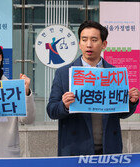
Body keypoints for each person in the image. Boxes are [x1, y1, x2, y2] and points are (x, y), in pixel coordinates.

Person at [47, 20, 140, 156]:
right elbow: (51, 110)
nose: (89, 44)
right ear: (79, 43)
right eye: (84, 40)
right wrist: (64, 105)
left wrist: (131, 102)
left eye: (94, 40)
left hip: (109, 148)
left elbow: (121, 113)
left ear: (104, 44)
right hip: (75, 149)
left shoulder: (114, 73)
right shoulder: (64, 73)